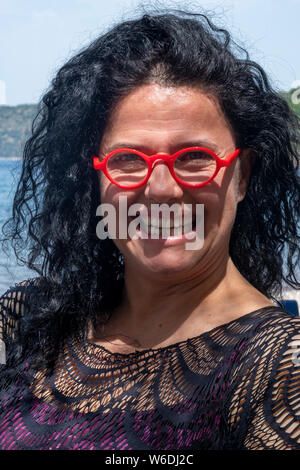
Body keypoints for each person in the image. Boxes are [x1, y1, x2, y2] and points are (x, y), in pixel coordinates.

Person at [0, 10, 300, 450]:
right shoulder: (30, 317)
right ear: (95, 180)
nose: (162, 190)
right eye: (128, 160)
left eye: (194, 157)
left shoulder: (281, 368)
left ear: (242, 176)